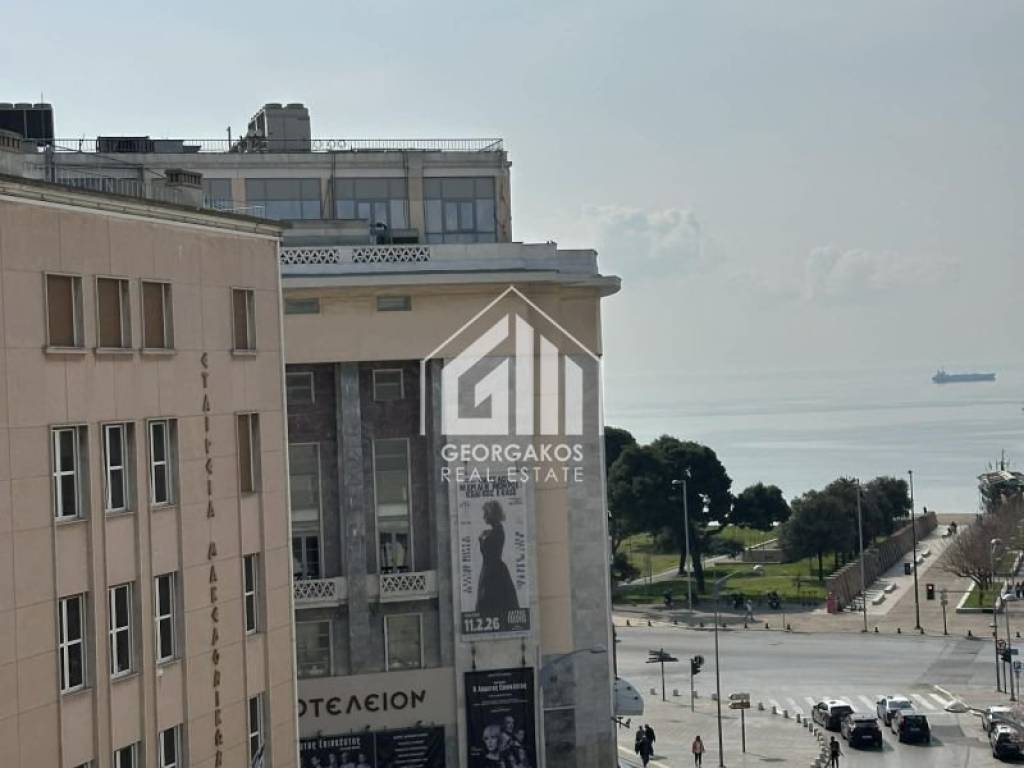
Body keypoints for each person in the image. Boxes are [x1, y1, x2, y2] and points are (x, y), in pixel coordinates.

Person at [477, 501, 520, 617]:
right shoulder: (496, 530)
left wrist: (481, 540)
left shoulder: (497, 532)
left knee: (492, 602)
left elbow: (487, 553)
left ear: (492, 514)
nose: (484, 516)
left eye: (486, 513)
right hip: (492, 570)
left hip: (493, 572)